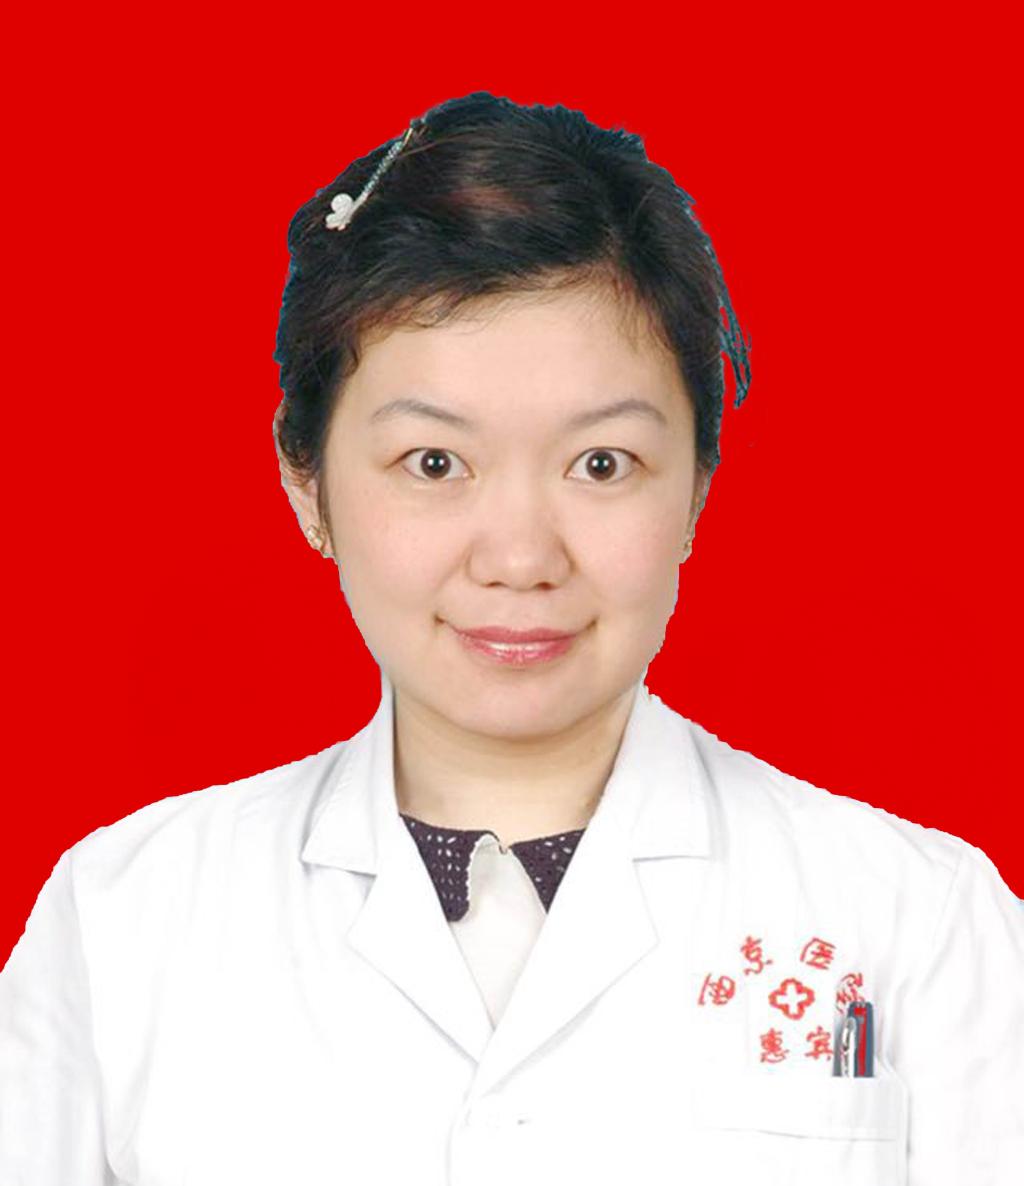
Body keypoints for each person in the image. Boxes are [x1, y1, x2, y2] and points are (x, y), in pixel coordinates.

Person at [1, 91, 1021, 1186]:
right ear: (306, 483)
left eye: (601, 464)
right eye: (434, 464)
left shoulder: (921, 919)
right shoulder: (123, 919)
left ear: (695, 489)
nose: (521, 556)